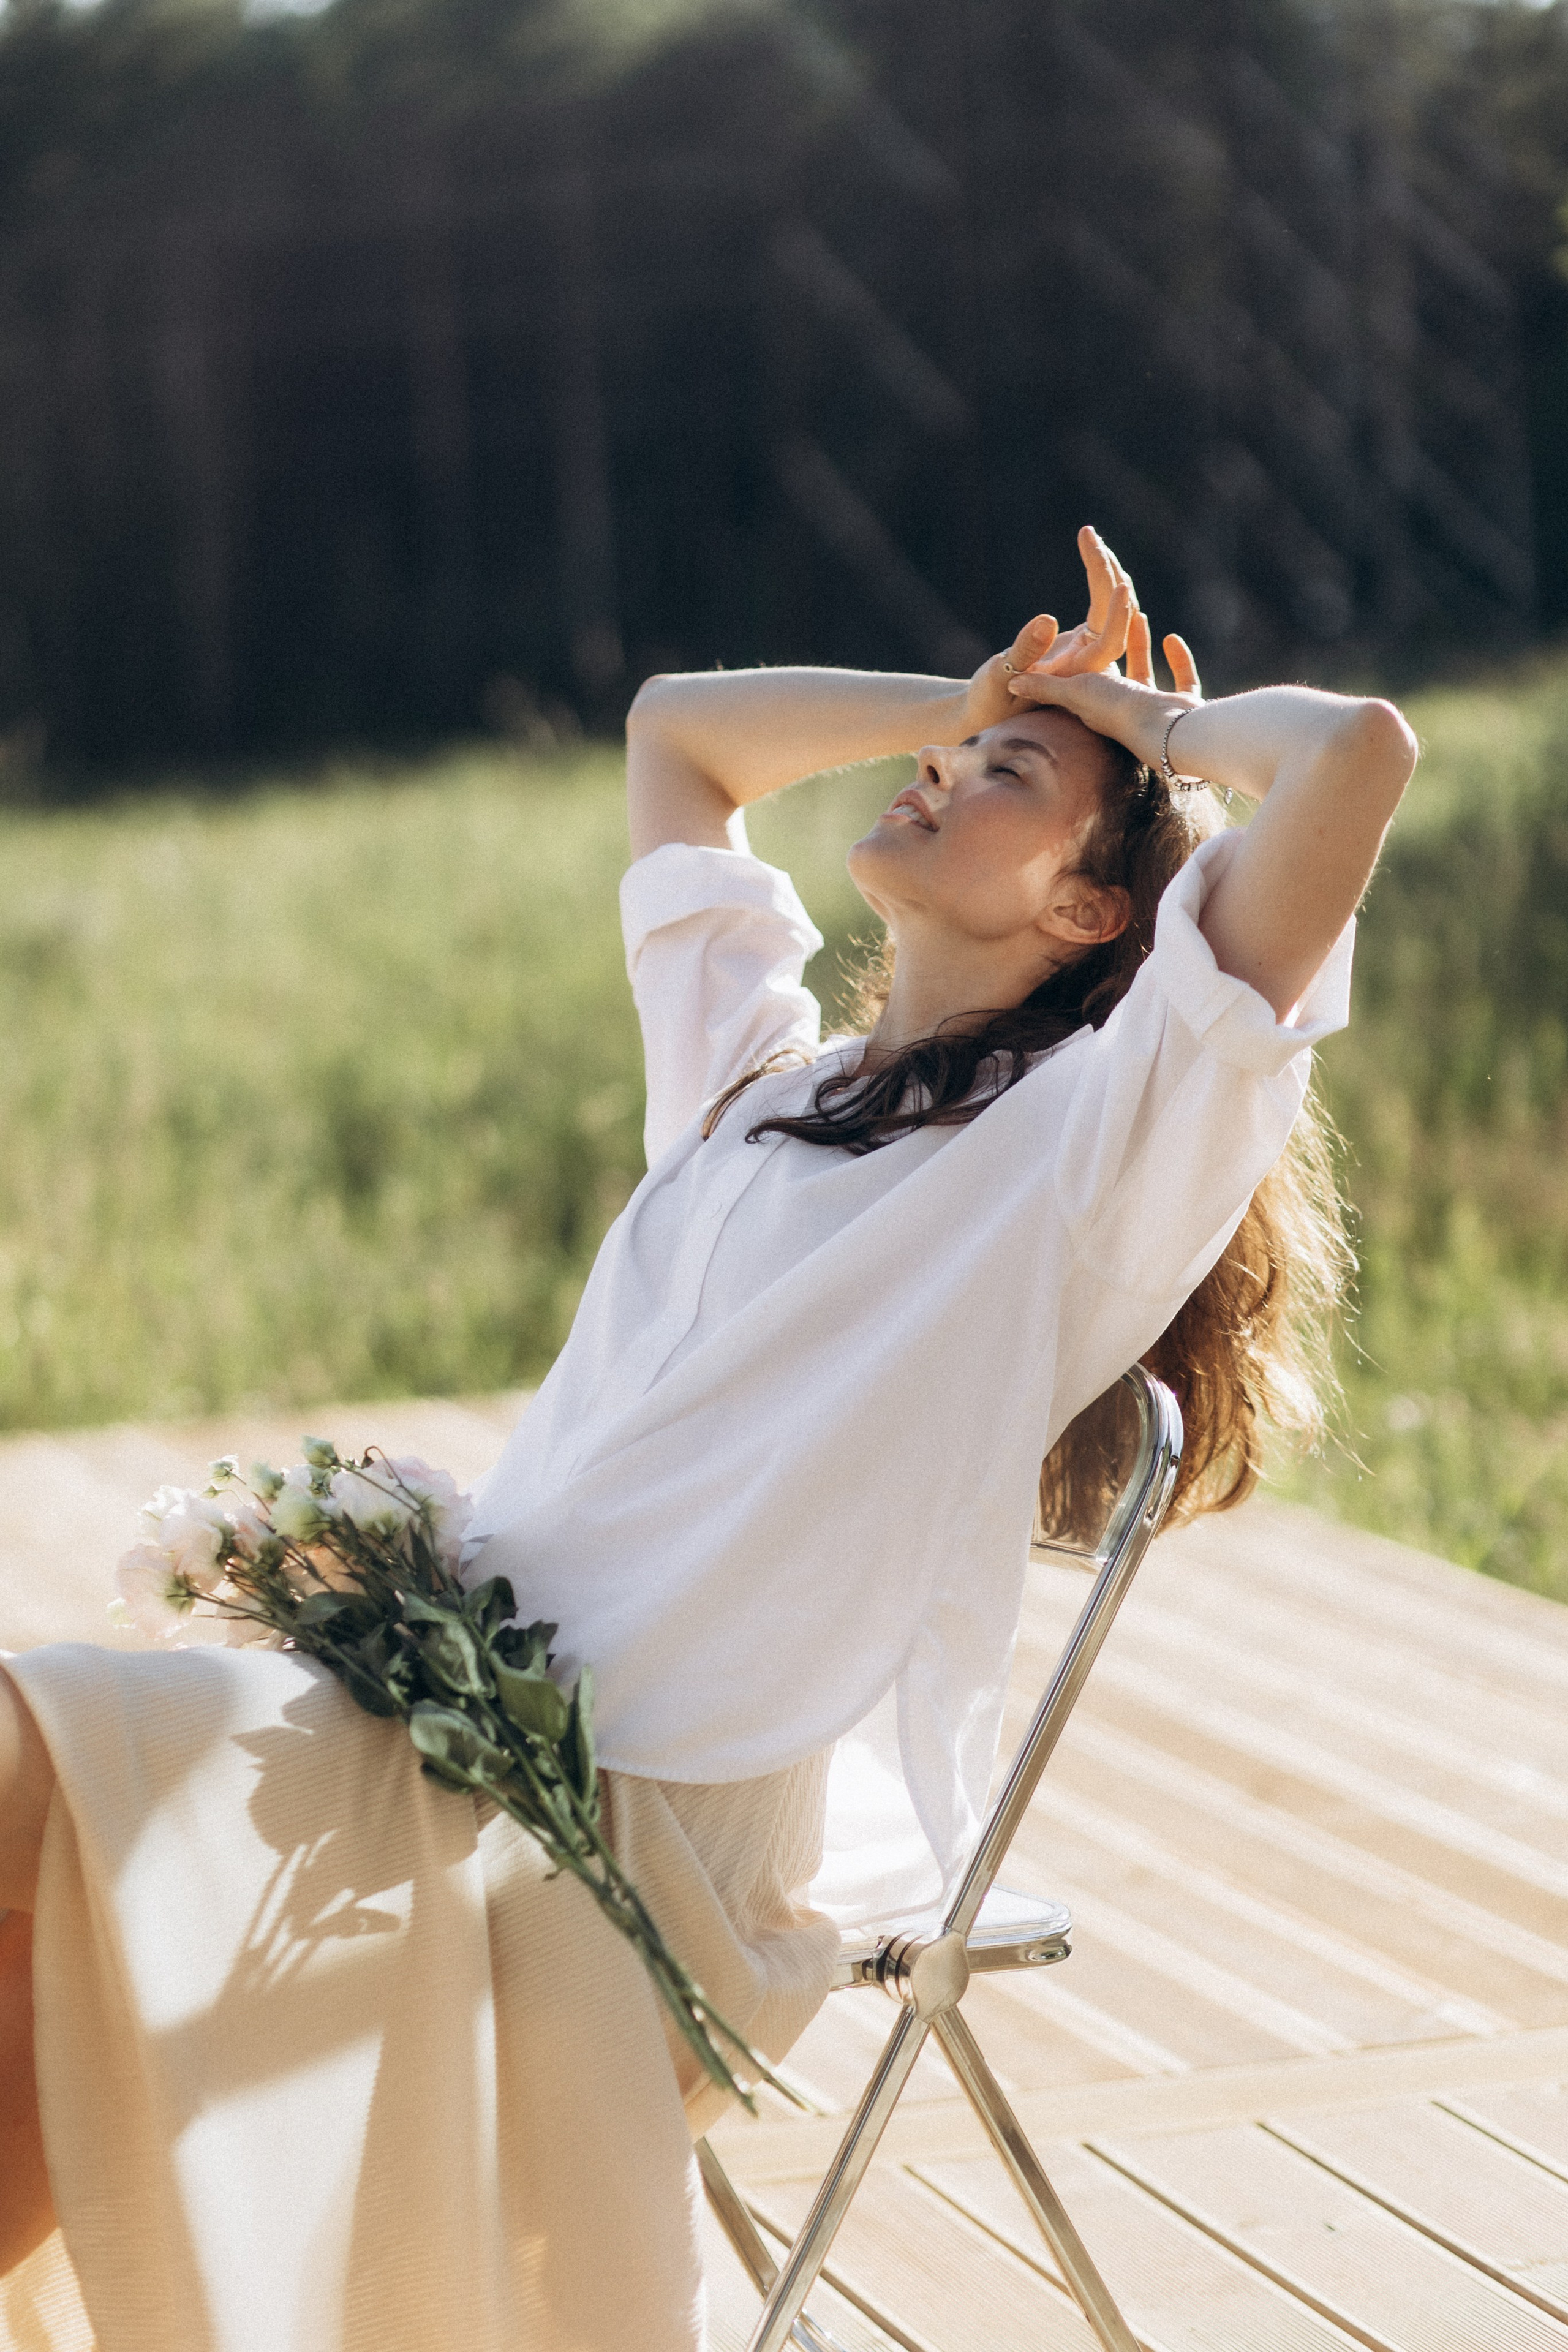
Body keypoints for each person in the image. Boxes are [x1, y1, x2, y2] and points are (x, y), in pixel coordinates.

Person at [0, 529, 1416, 2351]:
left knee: (35, 1795)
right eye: (952, 758)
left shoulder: (1084, 1153)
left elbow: (1359, 754)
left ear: (1087, 916)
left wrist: (1140, 716)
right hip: (440, 1725)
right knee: (48, 1943)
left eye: (1002, 783)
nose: (940, 774)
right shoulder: (761, 1092)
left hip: (638, 1811)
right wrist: (986, 698)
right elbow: (678, 736)